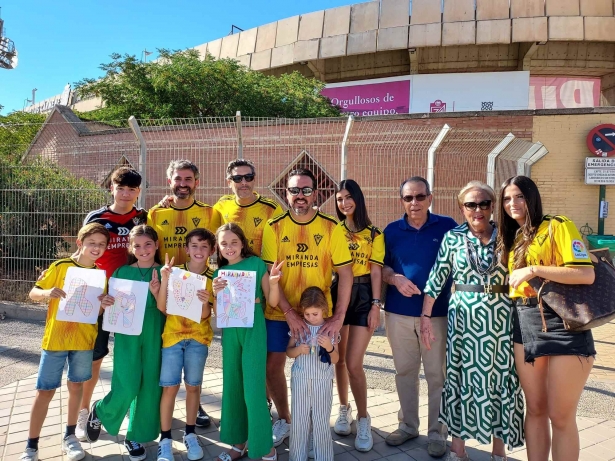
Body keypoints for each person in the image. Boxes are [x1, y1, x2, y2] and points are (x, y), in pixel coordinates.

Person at [421, 181, 524, 461]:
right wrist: (426, 318)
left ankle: (498, 452)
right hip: (464, 323)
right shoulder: (453, 237)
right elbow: (437, 278)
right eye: (470, 204)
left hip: (502, 319)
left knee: (501, 378)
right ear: (461, 208)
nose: (477, 210)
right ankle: (458, 449)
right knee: (461, 378)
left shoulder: (509, 235)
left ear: (493, 207)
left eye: (484, 204)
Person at [497, 175, 595, 461]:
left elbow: (585, 274)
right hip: (525, 320)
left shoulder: (557, 225)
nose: (512, 203)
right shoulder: (515, 237)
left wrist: (534, 269)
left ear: (532, 197)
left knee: (560, 416)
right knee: (536, 409)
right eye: (506, 198)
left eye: (519, 196)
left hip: (564, 322)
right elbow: (516, 284)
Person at [261, 168, 353, 447]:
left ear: (315, 193)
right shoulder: (273, 226)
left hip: (317, 315)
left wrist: (337, 317)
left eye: (305, 190)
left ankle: (315, 428)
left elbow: (346, 274)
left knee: (319, 370)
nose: (300, 196)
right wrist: (289, 313)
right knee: (273, 366)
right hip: (280, 312)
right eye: (294, 190)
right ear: (286, 194)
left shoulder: (331, 226)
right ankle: (286, 421)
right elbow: (270, 275)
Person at [20, 223, 114, 461]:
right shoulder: (61, 266)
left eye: (101, 245)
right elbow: (33, 293)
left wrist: (103, 305)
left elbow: (95, 312)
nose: (96, 248)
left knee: (76, 388)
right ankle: (31, 446)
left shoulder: (100, 275)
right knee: (45, 391)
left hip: (83, 342)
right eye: (92, 243)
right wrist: (47, 292)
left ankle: (70, 437)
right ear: (80, 243)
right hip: (56, 341)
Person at [382, 176, 457, 457]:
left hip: (437, 315)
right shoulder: (391, 231)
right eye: (408, 198)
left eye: (420, 197)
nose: (414, 203)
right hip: (398, 314)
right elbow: (382, 269)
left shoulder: (448, 227)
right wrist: (395, 278)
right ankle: (408, 426)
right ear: (401, 200)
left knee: (437, 375)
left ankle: (437, 432)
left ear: (430, 197)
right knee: (404, 372)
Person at [75, 167, 147, 441]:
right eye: (121, 188)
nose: (126, 193)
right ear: (112, 188)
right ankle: (84, 411)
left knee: (131, 355)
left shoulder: (142, 216)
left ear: (138, 191)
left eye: (132, 189)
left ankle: (127, 404)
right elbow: (80, 252)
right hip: (99, 297)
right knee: (95, 358)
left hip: (131, 296)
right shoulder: (97, 217)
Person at [85, 225, 166, 461]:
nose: (143, 250)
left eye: (148, 244)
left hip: (154, 328)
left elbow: (170, 306)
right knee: (128, 383)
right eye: (137, 245)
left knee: (150, 385)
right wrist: (107, 300)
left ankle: (134, 436)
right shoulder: (120, 272)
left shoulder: (164, 272)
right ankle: (101, 409)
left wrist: (158, 290)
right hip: (127, 331)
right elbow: (110, 302)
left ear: (156, 245)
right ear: (130, 248)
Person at [211, 223, 282, 461]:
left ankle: (265, 447)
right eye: (224, 244)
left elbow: (272, 302)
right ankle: (238, 443)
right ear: (218, 248)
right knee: (233, 386)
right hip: (231, 333)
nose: (229, 248)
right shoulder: (218, 274)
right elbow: (215, 312)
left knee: (253, 391)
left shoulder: (256, 264)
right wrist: (215, 293)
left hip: (253, 331)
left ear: (242, 243)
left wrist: (272, 283)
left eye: (234, 242)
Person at [331, 179, 384, 452]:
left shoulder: (375, 234)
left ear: (358, 199)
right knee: (337, 360)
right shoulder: (332, 229)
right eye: (339, 199)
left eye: (349, 197)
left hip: (364, 296)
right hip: (338, 293)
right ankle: (344, 409)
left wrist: (376, 304)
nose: (344, 203)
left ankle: (364, 418)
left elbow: (376, 271)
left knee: (353, 363)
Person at [156, 228, 216, 461]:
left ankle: (190, 434)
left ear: (211, 250)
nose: (199, 251)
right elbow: (163, 307)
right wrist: (164, 279)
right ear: (186, 248)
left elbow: (205, 315)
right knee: (169, 387)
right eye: (194, 246)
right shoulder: (175, 273)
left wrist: (204, 301)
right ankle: (165, 439)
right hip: (172, 337)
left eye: (204, 246)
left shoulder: (214, 278)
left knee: (193, 386)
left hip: (198, 339)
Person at [286, 287, 339, 461]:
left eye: (314, 314)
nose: (310, 318)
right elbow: (289, 352)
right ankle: (297, 457)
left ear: (323, 309)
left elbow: (336, 359)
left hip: (322, 380)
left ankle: (323, 457)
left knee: (321, 421)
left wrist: (330, 348)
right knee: (299, 421)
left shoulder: (330, 329)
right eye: (307, 314)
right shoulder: (299, 327)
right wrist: (299, 349)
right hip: (300, 379)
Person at [148, 159, 222, 265]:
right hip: (165, 277)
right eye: (177, 179)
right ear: (169, 182)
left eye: (188, 179)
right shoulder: (154, 213)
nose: (182, 184)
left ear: (196, 183)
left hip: (197, 278)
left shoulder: (210, 212)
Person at [214, 158, 284, 253]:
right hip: (228, 267)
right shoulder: (222, 204)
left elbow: (281, 244)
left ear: (254, 179)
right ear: (229, 182)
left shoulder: (271, 208)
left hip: (258, 267)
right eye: (237, 178)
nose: (244, 182)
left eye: (248, 177)